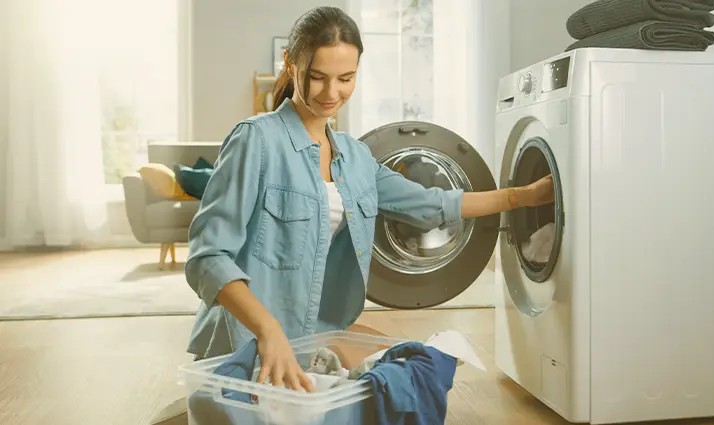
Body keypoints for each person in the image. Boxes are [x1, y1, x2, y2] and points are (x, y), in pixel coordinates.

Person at [183, 5, 554, 394]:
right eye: (317, 77)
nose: (331, 93)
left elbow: (434, 204)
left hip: (314, 334)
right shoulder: (257, 140)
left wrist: (522, 196)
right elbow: (208, 258)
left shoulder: (355, 158)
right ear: (290, 64)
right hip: (248, 338)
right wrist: (268, 330)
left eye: (346, 78)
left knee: (417, 371)